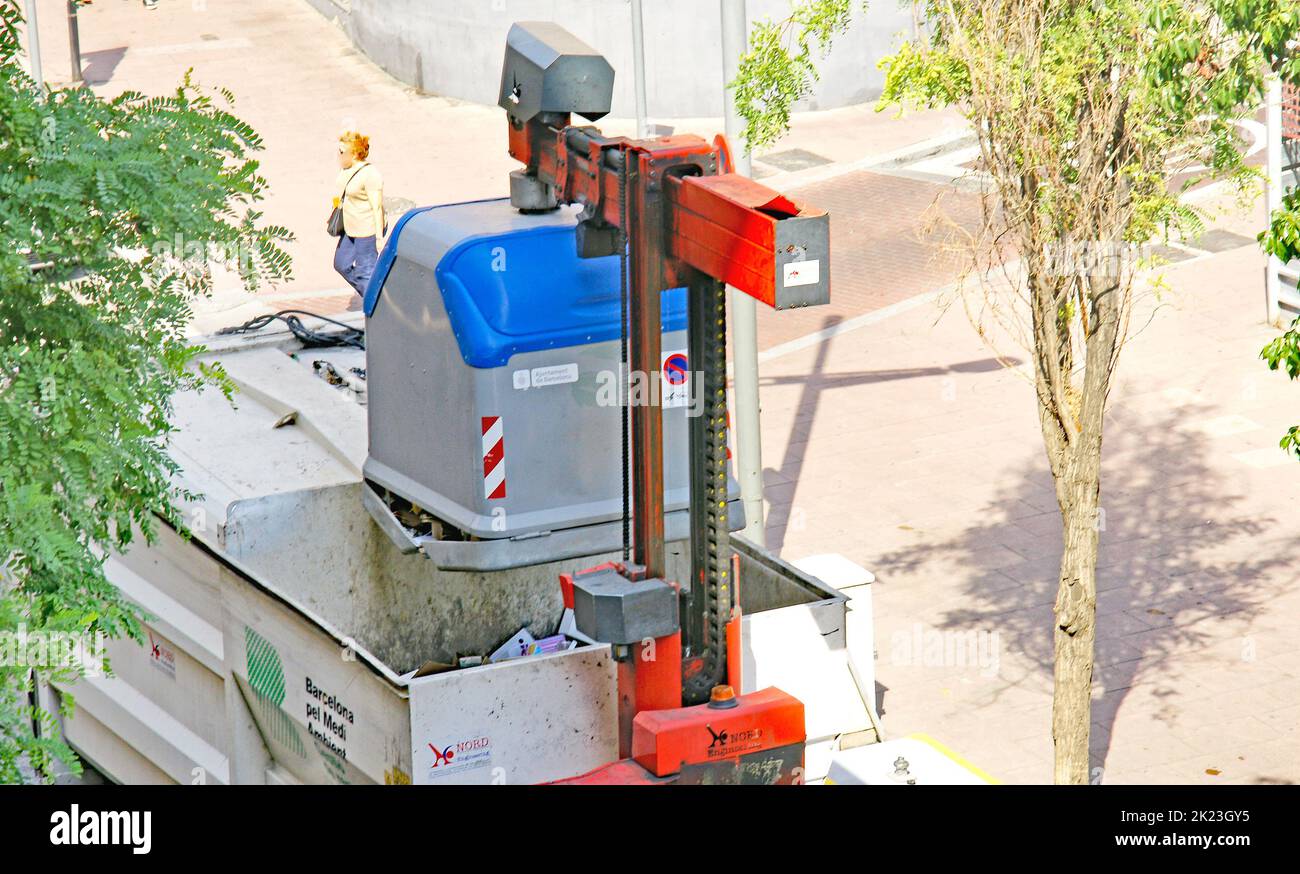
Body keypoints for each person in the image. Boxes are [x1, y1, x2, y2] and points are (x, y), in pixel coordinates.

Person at [332, 131, 385, 298]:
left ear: (354, 154)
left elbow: (376, 207)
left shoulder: (371, 174)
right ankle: (375, 295)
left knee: (365, 272)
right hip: (349, 227)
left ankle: (374, 303)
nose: (338, 155)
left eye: (342, 152)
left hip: (366, 230)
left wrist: (378, 238)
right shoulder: (346, 169)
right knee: (341, 264)